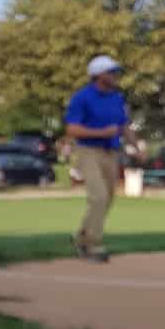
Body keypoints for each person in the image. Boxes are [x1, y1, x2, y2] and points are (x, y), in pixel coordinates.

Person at [64, 55, 129, 261]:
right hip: (88, 151)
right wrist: (102, 133)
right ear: (98, 75)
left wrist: (137, 147)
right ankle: (92, 245)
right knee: (98, 196)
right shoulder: (82, 97)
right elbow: (72, 129)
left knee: (108, 198)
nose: (116, 75)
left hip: (111, 152)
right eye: (111, 72)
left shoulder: (117, 98)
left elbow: (123, 125)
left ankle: (81, 237)